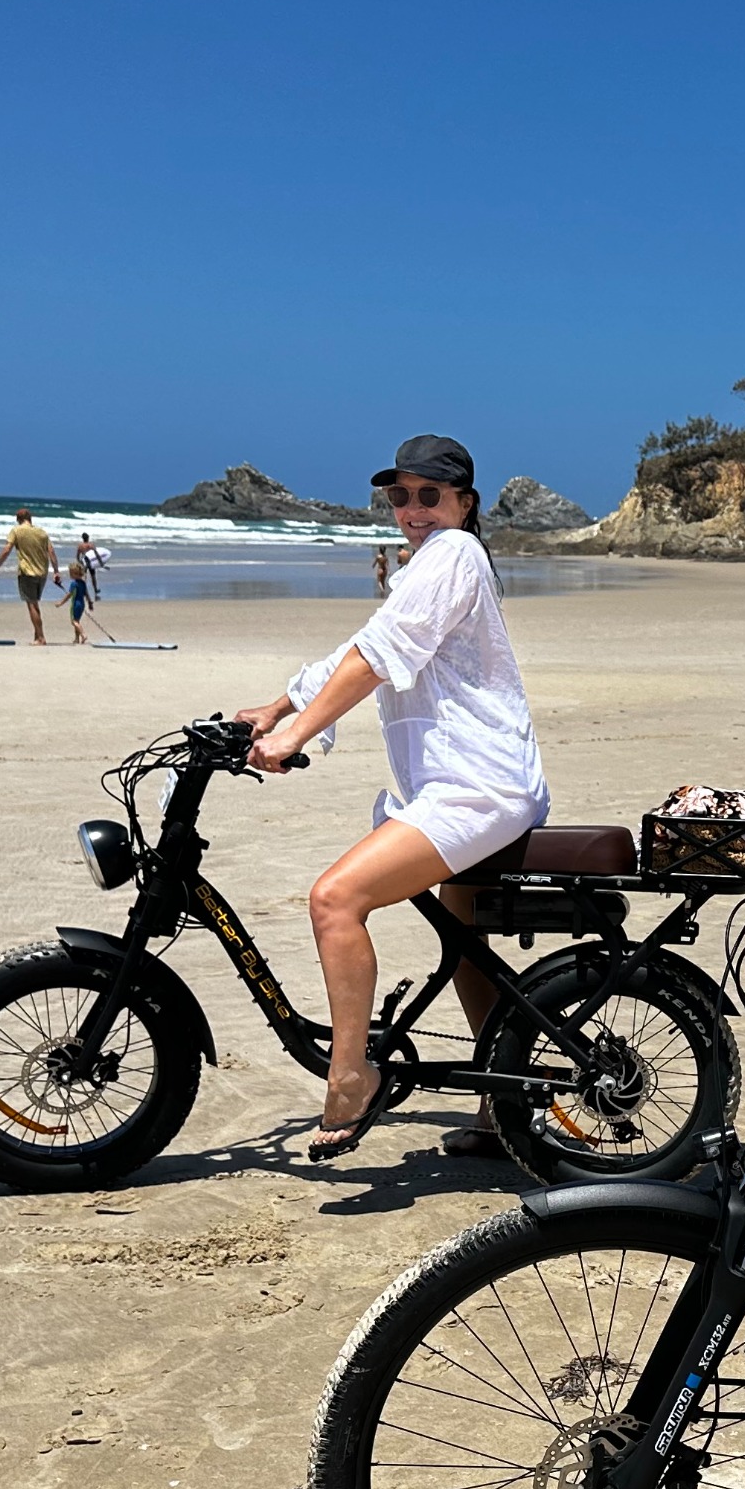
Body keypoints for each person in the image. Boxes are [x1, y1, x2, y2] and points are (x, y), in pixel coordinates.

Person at [234, 434, 551, 1160]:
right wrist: (277, 707)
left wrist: (296, 736)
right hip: (454, 786)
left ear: (465, 504)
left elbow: (380, 657)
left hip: (476, 789)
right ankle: (501, 1098)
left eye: (429, 496)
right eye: (400, 496)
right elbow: (362, 645)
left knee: (335, 900)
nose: (412, 509)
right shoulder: (425, 565)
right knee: (463, 943)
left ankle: (351, 1078)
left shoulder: (455, 556)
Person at [0, 508, 56, 643]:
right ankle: (37, 635)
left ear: (18, 520)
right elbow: (51, 553)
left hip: (27, 572)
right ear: (30, 518)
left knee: (31, 604)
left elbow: (7, 549)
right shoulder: (42, 533)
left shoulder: (16, 531)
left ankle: (40, 637)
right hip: (42, 573)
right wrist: (56, 571)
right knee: (35, 603)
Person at [64, 533, 107, 642]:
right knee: (93, 576)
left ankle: (79, 637)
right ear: (88, 538)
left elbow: (78, 556)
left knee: (84, 577)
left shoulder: (80, 546)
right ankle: (95, 588)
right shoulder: (91, 545)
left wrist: (79, 562)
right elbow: (96, 554)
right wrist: (100, 563)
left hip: (84, 562)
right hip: (91, 562)